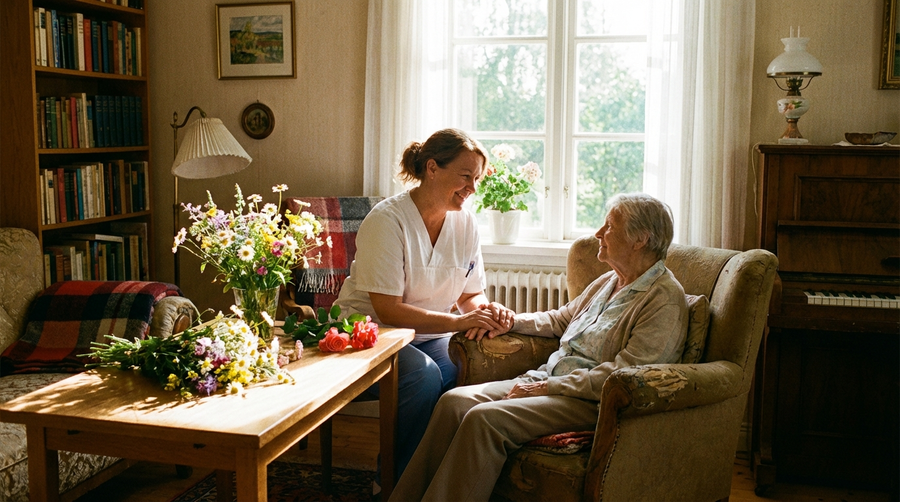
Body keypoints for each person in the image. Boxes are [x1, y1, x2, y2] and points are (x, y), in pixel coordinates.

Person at [389, 192, 689, 502]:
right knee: (454, 402)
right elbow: (560, 320)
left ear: (640, 239)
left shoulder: (663, 299)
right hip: (548, 381)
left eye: (610, 226)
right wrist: (509, 321)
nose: (598, 233)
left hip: (588, 400)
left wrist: (549, 387)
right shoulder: (608, 282)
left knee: (485, 419)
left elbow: (626, 376)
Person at [334, 128, 516, 486]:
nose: (473, 189)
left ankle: (439, 475)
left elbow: (470, 294)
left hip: (428, 336)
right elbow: (389, 311)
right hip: (369, 336)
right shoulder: (387, 221)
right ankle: (396, 480)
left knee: (469, 367)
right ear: (432, 168)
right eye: (466, 176)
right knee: (422, 375)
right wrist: (461, 321)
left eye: (477, 178)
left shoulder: (465, 223)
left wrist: (486, 311)